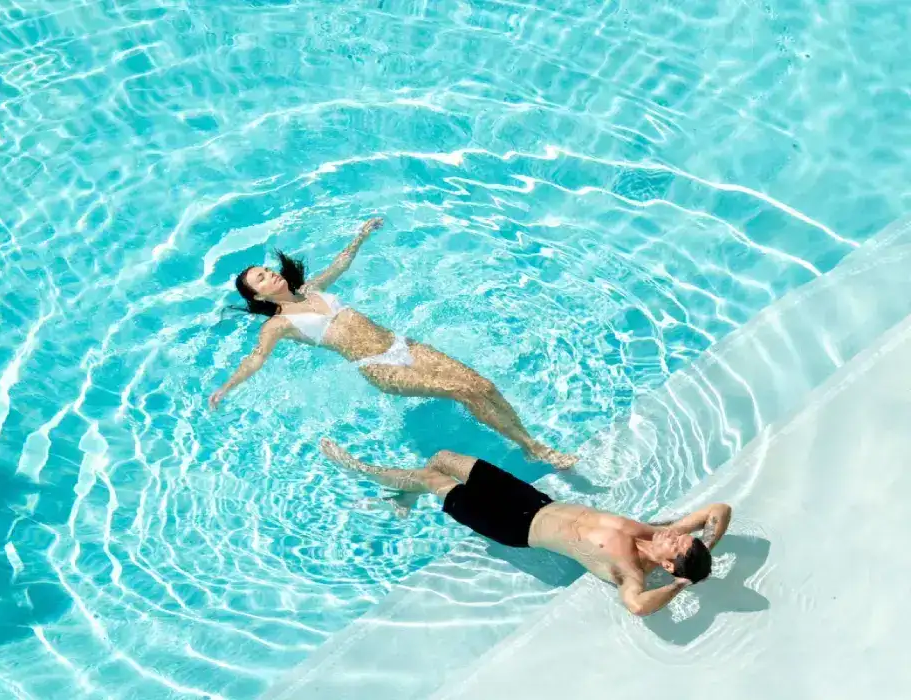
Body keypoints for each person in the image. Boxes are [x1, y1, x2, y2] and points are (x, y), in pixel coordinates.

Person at [209, 217, 576, 468]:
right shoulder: (278, 324)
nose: (270, 274)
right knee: (463, 392)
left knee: (483, 385)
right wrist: (226, 387)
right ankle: (535, 449)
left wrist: (361, 236)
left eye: (268, 270)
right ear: (258, 297)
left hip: (405, 345)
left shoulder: (311, 288)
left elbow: (342, 263)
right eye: (262, 278)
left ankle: (528, 443)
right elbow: (256, 359)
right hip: (379, 367)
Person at [319, 439, 732, 617]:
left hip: (510, 527)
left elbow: (638, 606)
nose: (676, 534)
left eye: (678, 544)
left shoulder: (630, 572)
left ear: (671, 567)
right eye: (682, 535)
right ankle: (404, 497)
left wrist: (683, 586)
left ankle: (362, 470)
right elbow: (719, 508)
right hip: (532, 501)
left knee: (431, 479)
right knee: (444, 457)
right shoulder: (656, 531)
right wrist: (709, 543)